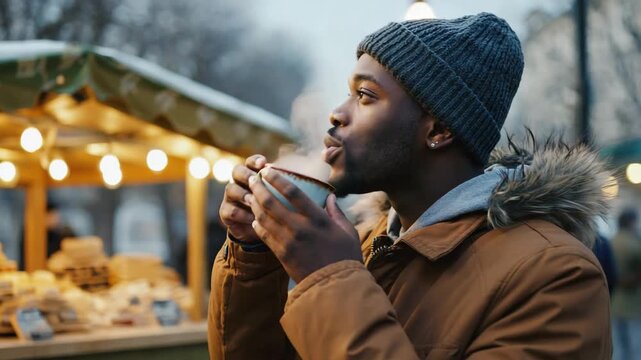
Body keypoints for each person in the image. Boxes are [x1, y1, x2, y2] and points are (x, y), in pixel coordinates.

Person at [209, 13, 612, 359]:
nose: (336, 113)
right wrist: (253, 252)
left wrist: (330, 276)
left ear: (437, 129)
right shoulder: (364, 244)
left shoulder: (554, 273)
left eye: (364, 95)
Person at [611, 208, 641, 360]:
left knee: (619, 348)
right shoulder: (635, 243)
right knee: (635, 348)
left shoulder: (611, 241)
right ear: (631, 222)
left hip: (615, 304)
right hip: (634, 305)